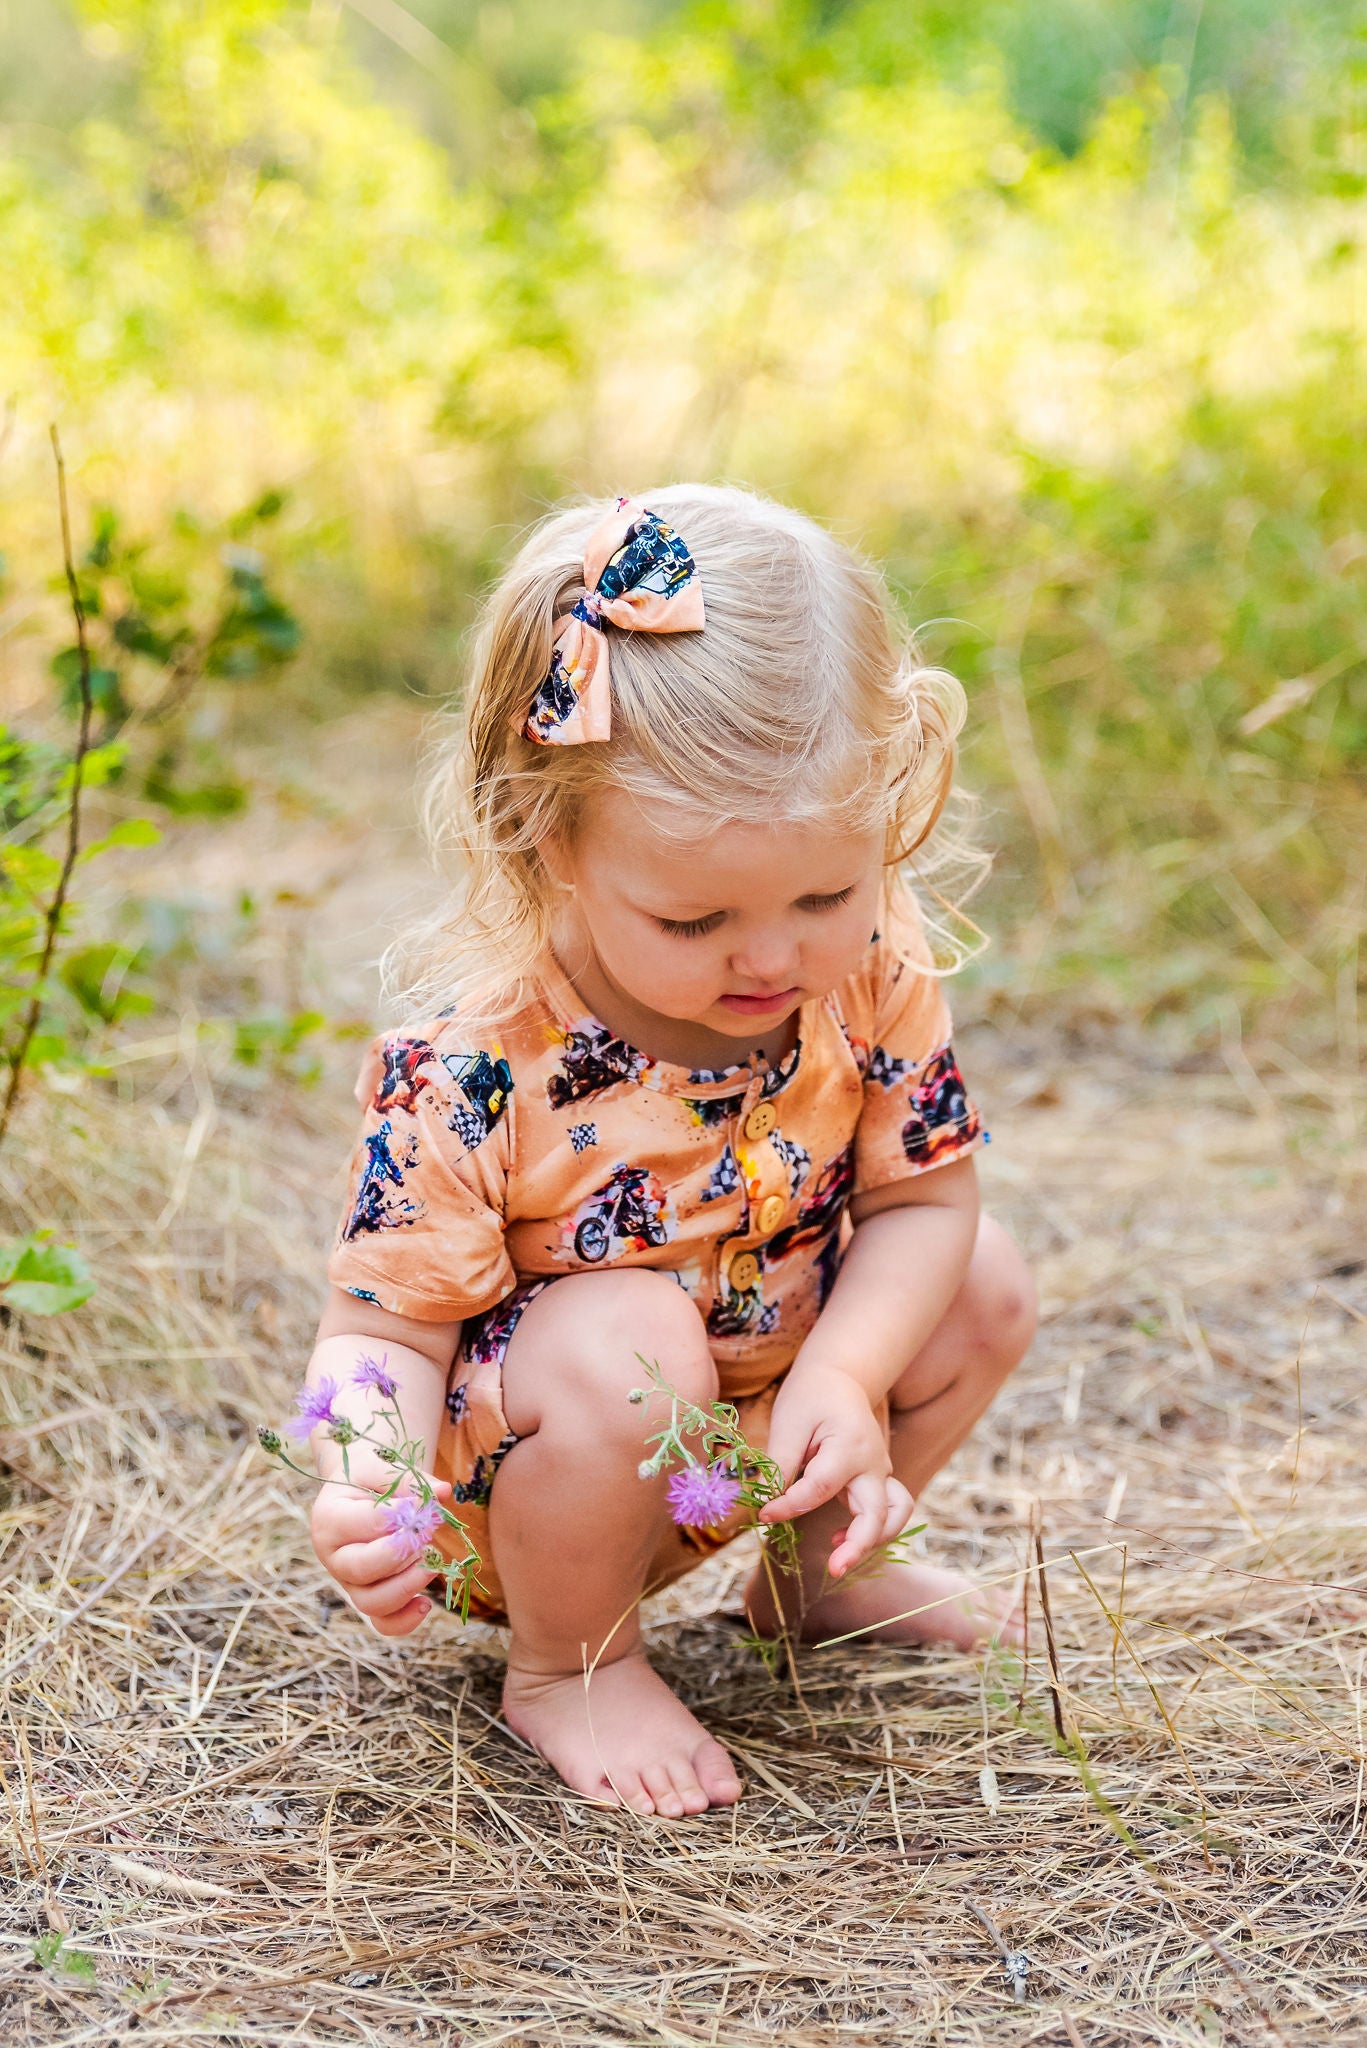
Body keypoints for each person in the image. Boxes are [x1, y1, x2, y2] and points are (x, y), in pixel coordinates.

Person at [299, 486, 1037, 1818]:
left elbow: (927, 1200)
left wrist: (854, 1377)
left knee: (981, 1275)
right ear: (545, 838)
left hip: (765, 1421)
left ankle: (810, 1578)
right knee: (624, 1334)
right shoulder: (473, 1066)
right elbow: (382, 1336)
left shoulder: (866, 972)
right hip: (546, 1481)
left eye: (825, 893)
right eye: (694, 917)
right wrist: (372, 1484)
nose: (773, 957)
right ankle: (572, 1668)